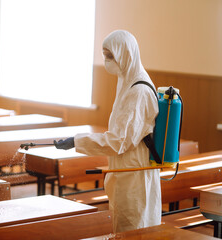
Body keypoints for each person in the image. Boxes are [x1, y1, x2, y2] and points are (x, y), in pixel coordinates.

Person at [54, 30, 161, 233]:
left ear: (125, 54)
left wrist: (77, 142)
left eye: (110, 55)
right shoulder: (127, 80)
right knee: (123, 226)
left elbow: (119, 140)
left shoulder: (138, 90)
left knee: (133, 228)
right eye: (104, 55)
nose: (106, 60)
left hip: (133, 175)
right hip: (125, 170)